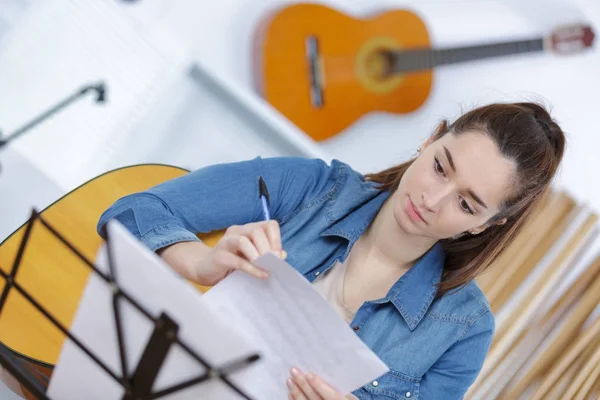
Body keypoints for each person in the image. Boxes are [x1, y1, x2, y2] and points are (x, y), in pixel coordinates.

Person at [97, 102, 566, 399]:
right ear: (430, 138)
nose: (432, 199)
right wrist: (197, 262)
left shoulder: (463, 331)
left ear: (488, 224)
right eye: (441, 167)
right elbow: (134, 209)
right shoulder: (309, 187)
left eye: (465, 204)